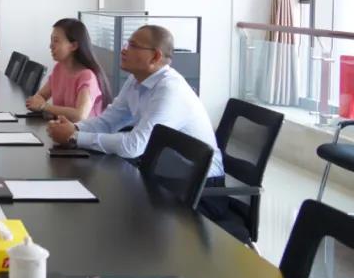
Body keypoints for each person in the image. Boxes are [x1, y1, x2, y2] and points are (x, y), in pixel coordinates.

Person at [47, 24, 223, 178]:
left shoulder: (170, 89)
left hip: (199, 187)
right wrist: (74, 128)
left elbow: (134, 145)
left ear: (155, 57)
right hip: (162, 174)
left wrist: (74, 137)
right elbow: (108, 122)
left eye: (133, 46)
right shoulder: (136, 79)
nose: (124, 50)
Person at [25, 18, 111, 122]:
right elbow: (40, 96)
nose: (51, 46)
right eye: (51, 40)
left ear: (73, 46)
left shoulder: (87, 76)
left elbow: (80, 115)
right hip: (63, 129)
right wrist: (43, 106)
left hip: (84, 132)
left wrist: (45, 107)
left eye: (56, 41)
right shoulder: (59, 68)